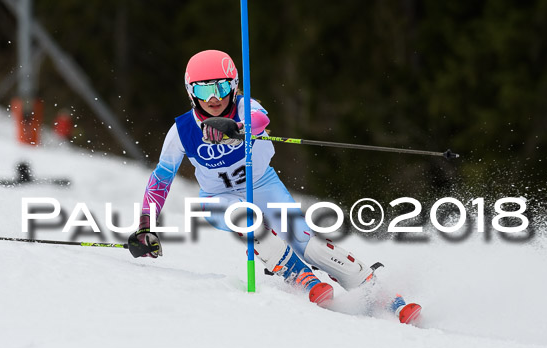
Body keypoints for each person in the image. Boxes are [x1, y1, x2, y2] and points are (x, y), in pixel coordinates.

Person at [129, 49, 421, 323]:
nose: (214, 97)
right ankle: (301, 277)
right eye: (204, 89)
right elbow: (161, 179)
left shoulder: (245, 108)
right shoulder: (182, 130)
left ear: (234, 85)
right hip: (216, 198)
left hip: (262, 184)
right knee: (248, 221)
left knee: (308, 243)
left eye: (221, 87)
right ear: (191, 92)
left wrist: (237, 129)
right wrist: (146, 226)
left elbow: (261, 120)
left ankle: (380, 293)